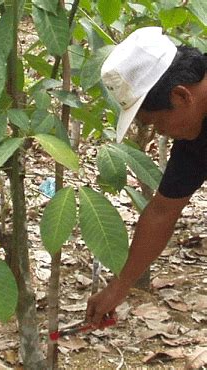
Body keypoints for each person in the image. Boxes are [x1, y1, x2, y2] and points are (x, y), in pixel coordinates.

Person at [86, 27, 207, 325]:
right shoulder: (194, 135)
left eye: (157, 122)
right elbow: (162, 211)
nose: (159, 133)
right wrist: (120, 285)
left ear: (181, 96)